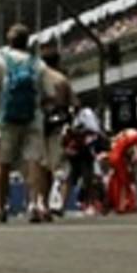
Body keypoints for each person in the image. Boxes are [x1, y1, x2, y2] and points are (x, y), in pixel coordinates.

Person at [0, 24, 55, 222]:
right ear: (27, 41)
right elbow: (50, 96)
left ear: (9, 41)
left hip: (6, 119)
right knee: (33, 161)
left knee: (2, 162)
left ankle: (0, 207)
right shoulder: (37, 63)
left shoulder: (1, 61)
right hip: (33, 118)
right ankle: (33, 204)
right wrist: (38, 107)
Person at [39, 43, 78, 220]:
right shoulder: (61, 79)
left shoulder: (37, 79)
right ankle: (60, 204)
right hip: (57, 127)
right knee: (62, 167)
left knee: (43, 167)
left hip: (39, 127)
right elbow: (75, 104)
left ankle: (43, 204)